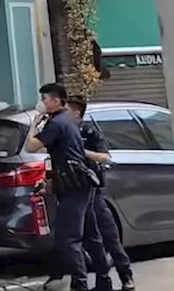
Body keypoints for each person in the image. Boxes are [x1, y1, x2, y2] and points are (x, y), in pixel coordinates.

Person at [43, 97, 135, 290]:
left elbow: (104, 156)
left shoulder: (88, 131)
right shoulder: (62, 131)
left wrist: (80, 151)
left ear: (76, 113)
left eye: (65, 110)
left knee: (109, 236)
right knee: (88, 239)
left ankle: (126, 276)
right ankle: (101, 281)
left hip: (93, 192)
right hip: (73, 190)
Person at [26, 84, 109, 291]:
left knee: (68, 238)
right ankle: (103, 282)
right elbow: (64, 154)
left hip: (74, 186)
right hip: (80, 184)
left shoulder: (56, 123)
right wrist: (50, 183)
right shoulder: (66, 121)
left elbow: (31, 146)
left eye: (45, 98)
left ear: (56, 100)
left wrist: (34, 125)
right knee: (91, 236)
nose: (42, 102)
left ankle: (80, 285)